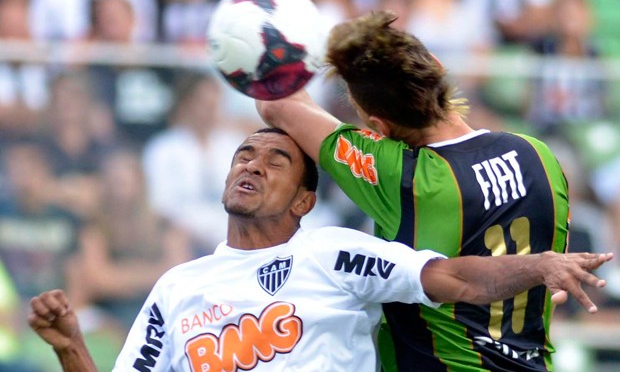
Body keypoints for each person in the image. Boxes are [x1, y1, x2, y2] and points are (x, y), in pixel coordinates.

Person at [28, 128, 613, 372]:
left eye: (275, 160)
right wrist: (71, 346)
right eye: (243, 155)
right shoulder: (178, 287)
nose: (252, 163)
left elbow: (453, 280)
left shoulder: (333, 253)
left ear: (305, 200)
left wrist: (539, 264)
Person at [256, 11, 574, 371]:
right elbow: (551, 276)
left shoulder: (402, 176)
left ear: (378, 125)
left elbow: (276, 103)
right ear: (438, 68)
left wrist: (277, 33)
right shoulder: (539, 154)